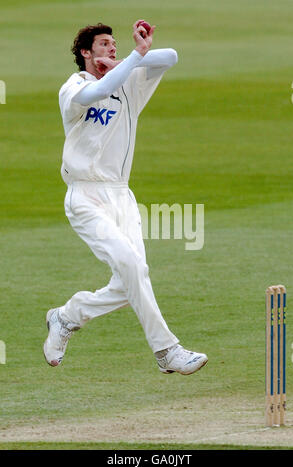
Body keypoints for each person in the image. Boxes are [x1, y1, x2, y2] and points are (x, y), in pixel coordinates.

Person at [43, 20, 208, 375]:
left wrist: (128, 60)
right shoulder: (73, 87)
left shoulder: (129, 82)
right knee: (133, 269)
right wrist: (132, 59)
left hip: (121, 195)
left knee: (130, 279)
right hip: (85, 196)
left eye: (115, 44)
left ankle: (66, 316)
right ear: (85, 52)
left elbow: (170, 57)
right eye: (104, 44)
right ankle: (167, 351)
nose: (112, 48)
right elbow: (94, 94)